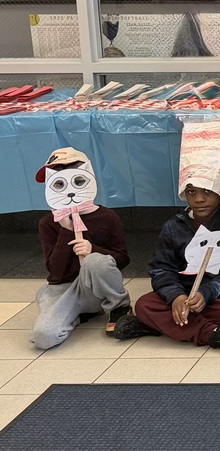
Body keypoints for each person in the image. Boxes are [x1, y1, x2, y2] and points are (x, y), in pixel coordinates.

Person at [114, 184, 220, 352]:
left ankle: (157, 325)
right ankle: (213, 333)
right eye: (191, 192)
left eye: (207, 191)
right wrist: (176, 296)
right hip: (182, 291)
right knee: (143, 305)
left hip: (217, 294)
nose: (199, 199)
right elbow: (162, 269)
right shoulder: (173, 226)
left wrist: (207, 292)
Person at [29, 148, 131, 350]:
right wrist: (66, 229)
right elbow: (55, 272)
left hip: (96, 288)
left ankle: (120, 307)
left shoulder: (107, 217)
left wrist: (93, 249)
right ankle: (80, 314)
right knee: (43, 337)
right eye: (58, 182)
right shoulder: (48, 223)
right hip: (63, 289)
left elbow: (121, 259)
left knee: (95, 260)